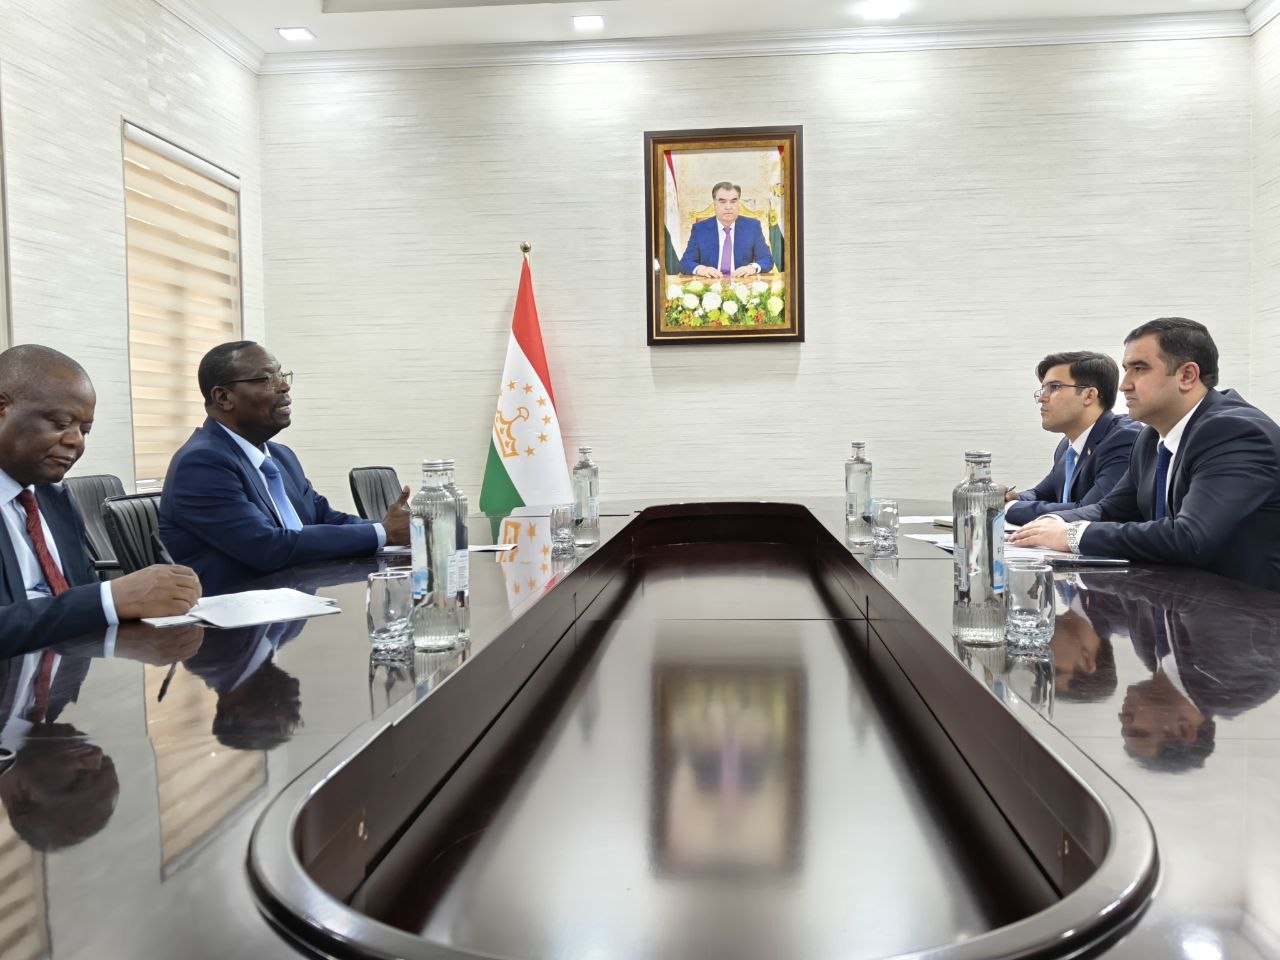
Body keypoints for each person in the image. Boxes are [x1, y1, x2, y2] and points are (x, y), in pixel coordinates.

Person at [1010, 318, 1280, 592]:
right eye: (1126, 370)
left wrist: (1073, 535)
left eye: (1139, 369)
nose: (1124, 385)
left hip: (1247, 608)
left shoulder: (1234, 431)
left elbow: (1190, 538)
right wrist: (1054, 523)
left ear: (1187, 376)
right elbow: (1110, 510)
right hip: (1179, 600)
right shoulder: (1150, 437)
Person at [159, 341, 411, 595]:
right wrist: (383, 533)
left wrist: (396, 530)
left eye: (281, 375)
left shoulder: (282, 456)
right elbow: (266, 547)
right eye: (267, 379)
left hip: (297, 603)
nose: (284, 386)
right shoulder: (202, 463)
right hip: (238, 613)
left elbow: (326, 518)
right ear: (223, 397)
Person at [0, 344, 201, 658]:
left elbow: (79, 595)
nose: (76, 441)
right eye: (61, 423)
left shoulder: (56, 500)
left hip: (71, 673)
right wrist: (110, 599)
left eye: (85, 430)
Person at [1004, 351, 1140, 525]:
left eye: (1054, 387)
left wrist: (1009, 508)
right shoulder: (1067, 445)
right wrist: (1010, 497)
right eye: (1043, 389)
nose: (1042, 398)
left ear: (1089, 395)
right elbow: (1041, 494)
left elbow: (1091, 511)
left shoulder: (1124, 439)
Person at [678, 182, 775, 278]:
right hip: (711, 284)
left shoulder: (752, 227)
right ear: (714, 204)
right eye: (722, 202)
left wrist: (752, 268)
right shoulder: (700, 229)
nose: (728, 207)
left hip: (742, 283)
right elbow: (685, 262)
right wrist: (701, 269)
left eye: (733, 201)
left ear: (738, 203)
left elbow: (767, 259)